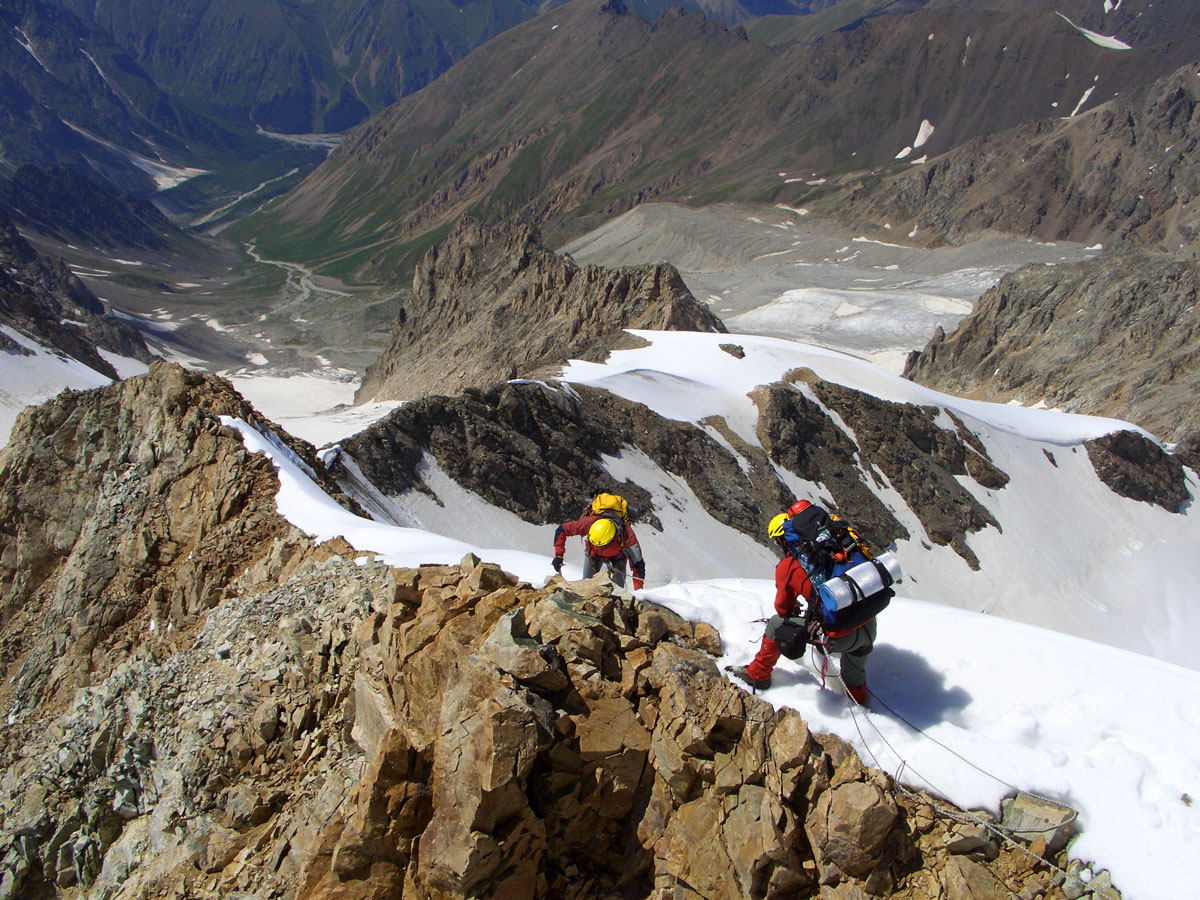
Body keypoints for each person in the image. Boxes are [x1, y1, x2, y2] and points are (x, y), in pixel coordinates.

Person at [732, 510, 876, 705]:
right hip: (868, 622)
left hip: (840, 635)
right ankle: (861, 706)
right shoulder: (836, 549)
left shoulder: (790, 566)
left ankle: (758, 674)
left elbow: (782, 609)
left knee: (775, 624)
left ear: (783, 539)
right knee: (854, 674)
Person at [552, 507, 646, 591]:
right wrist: (558, 556)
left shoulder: (627, 535)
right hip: (593, 555)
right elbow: (562, 530)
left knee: (618, 591)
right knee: (586, 585)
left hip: (617, 558)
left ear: (613, 538)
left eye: (603, 545)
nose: (599, 547)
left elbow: (638, 565)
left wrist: (639, 591)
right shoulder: (590, 523)